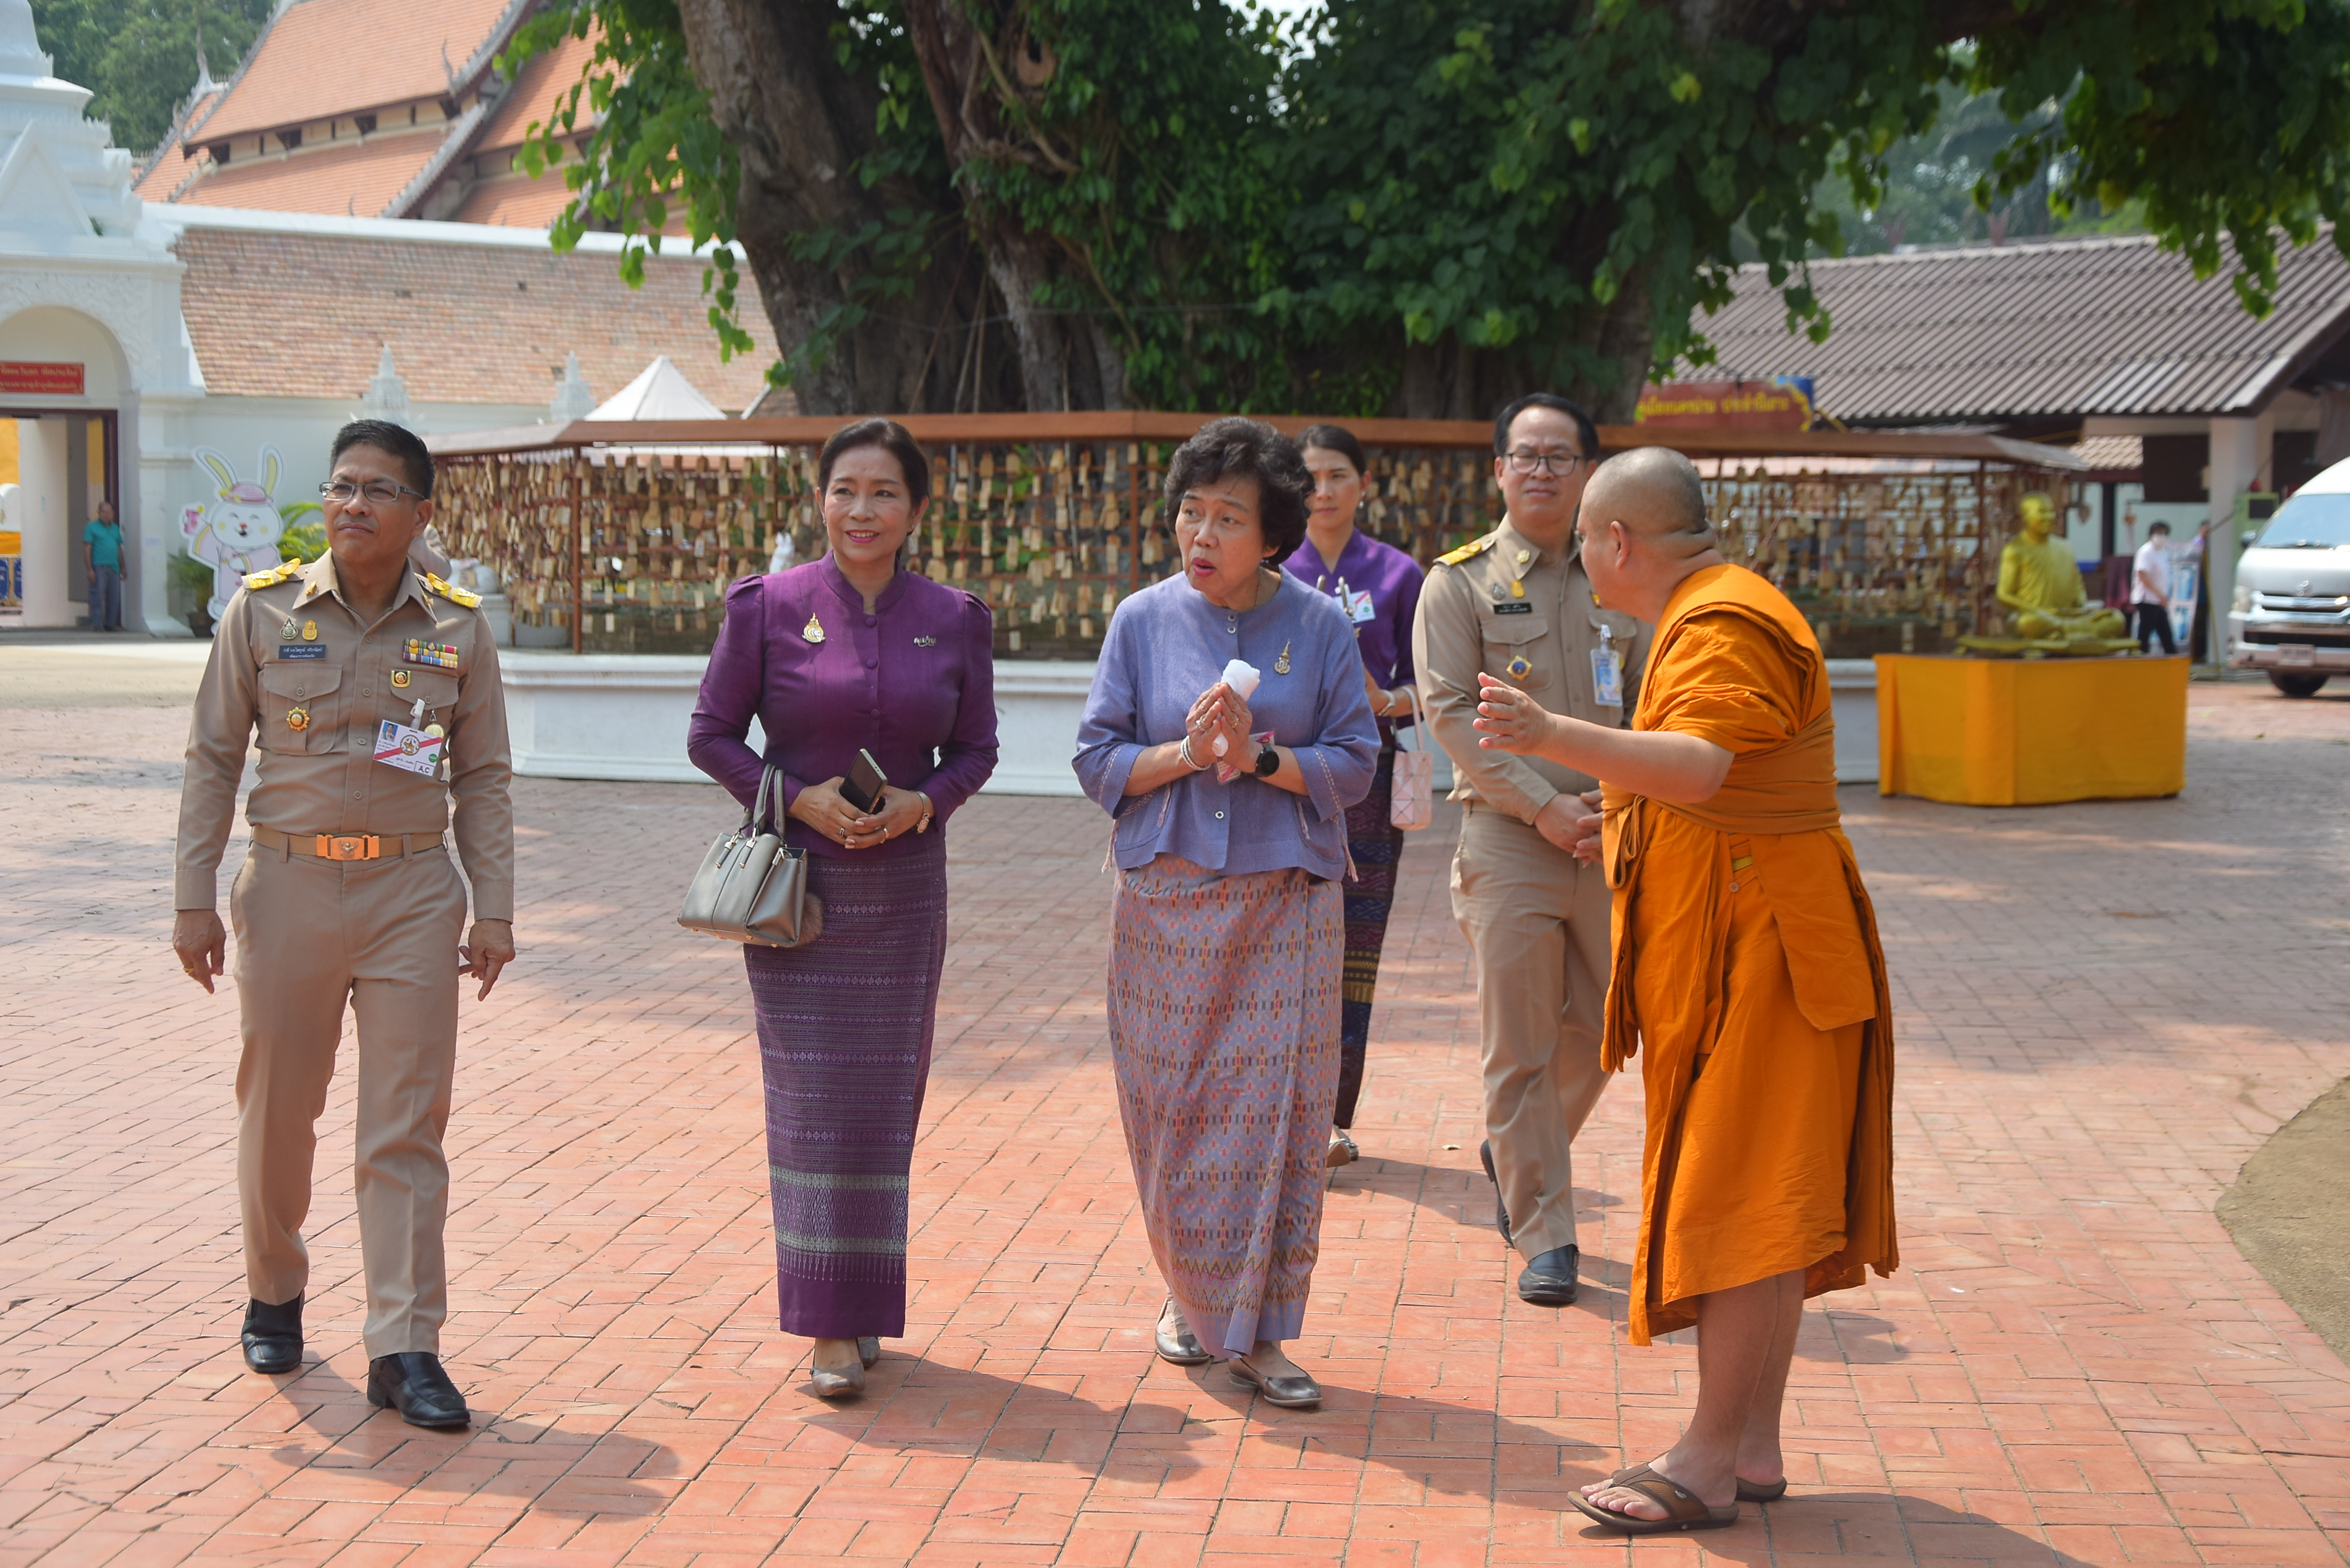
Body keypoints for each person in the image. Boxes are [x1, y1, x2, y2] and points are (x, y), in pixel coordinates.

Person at [1472, 446, 1897, 1536]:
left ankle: (1707, 1461)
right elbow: (1705, 787)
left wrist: (1548, 735)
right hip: (1748, 942)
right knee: (1763, 1199)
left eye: (1585, 547)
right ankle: (1748, 1445)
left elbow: (1702, 766)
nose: (1582, 569)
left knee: (1744, 1205)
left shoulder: (1722, 620)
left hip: (1768, 951)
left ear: (1619, 541)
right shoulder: (1711, 608)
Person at [172, 418, 515, 1430]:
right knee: (279, 1109)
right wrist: (195, 896)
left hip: (412, 894)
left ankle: (404, 1345)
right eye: (340, 486)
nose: (353, 504)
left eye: (376, 490)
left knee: (406, 1127)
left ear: (420, 512)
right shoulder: (266, 610)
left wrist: (492, 907)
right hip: (286, 889)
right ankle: (274, 1288)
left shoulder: (457, 627)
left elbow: (485, 777)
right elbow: (211, 758)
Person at [687, 418, 998, 1401]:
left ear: (915, 509)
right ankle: (826, 1326)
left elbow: (978, 749)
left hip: (904, 891)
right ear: (819, 499)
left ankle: (864, 1308)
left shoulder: (954, 617)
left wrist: (926, 802)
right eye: (844, 491)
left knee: (883, 1103)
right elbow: (710, 734)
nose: (861, 511)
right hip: (801, 896)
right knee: (814, 1104)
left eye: (884, 494)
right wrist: (791, 795)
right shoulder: (769, 606)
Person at [1074, 417, 1377, 1410]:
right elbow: (1097, 759)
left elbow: (1356, 764)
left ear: (1275, 534)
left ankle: (1261, 1335)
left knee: (1275, 1122)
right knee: (1172, 1112)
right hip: (1163, 905)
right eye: (1190, 512)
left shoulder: (1322, 628)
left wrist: (1257, 758)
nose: (1200, 534)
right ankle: (1191, 1297)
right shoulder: (1140, 621)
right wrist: (1190, 753)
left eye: (1228, 518)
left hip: (1284, 906)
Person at [1411, 393, 1647, 1308]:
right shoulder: (1458, 583)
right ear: (1499, 471)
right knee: (1519, 1042)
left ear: (1589, 472)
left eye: (1561, 456)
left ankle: (1515, 1150)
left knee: (1603, 1026)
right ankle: (1546, 1231)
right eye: (1526, 455)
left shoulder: (1620, 580)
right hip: (1510, 836)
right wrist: (1545, 807)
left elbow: (1649, 702)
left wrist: (1613, 808)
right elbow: (1449, 715)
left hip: (1614, 834)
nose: (1542, 470)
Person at [1285, 423, 1424, 1168]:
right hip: (1283, 781)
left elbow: (1439, 690)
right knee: (1287, 948)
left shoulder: (1401, 576)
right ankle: (1282, 1109)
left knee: (1354, 952)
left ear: (1364, 484)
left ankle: (1332, 1119)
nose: (1325, 490)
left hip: (1368, 784)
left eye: (1339, 475)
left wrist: (1386, 699)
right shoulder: (1272, 568)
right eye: (1310, 476)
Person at [2130, 521, 2179, 654]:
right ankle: (2139, 658)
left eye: (2165, 534)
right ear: (2151, 534)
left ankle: (2172, 658)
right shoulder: (2146, 551)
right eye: (2159, 533)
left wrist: (2163, 596)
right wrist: (2159, 594)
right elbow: (2142, 575)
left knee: (2165, 632)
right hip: (2147, 599)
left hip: (2158, 600)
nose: (2162, 537)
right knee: (2145, 632)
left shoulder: (2162, 552)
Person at [83, 499, 124, 631]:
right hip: (99, 565)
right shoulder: (91, 527)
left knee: (114, 596)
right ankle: (97, 624)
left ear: (113, 513)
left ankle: (110, 624)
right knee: (97, 595)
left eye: (109, 512)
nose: (106, 515)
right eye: (104, 512)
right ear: (99, 513)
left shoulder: (115, 528)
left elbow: (118, 548)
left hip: (114, 566)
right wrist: (90, 569)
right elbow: (87, 548)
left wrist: (123, 567)